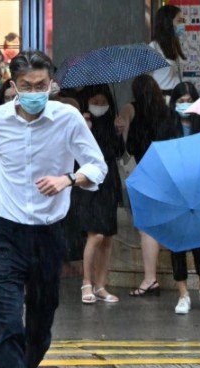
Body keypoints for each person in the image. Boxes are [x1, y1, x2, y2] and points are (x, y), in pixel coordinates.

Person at [0, 50, 106, 368]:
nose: (34, 93)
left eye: (41, 87)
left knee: (40, 329)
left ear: (52, 84)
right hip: (6, 235)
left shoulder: (67, 119)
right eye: (26, 87)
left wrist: (68, 179)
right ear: (13, 85)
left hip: (49, 235)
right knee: (9, 324)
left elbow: (97, 166)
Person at [116, 74, 180, 297]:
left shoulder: (133, 109)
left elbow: (129, 143)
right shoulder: (169, 113)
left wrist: (121, 124)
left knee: (147, 228)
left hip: (144, 174)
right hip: (167, 174)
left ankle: (150, 279)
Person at [168, 82, 200, 314]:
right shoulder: (167, 128)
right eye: (180, 101)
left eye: (189, 100)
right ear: (174, 103)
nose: (185, 105)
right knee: (177, 245)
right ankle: (182, 294)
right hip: (175, 193)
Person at [74, 85, 123, 304]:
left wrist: (120, 131)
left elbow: (119, 152)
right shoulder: (80, 122)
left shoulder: (113, 123)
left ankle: (101, 285)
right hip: (89, 181)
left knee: (108, 237)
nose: (99, 106)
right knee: (96, 235)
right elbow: (75, 153)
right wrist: (84, 127)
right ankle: (87, 282)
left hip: (109, 181)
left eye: (104, 103)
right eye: (96, 101)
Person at [149, 5, 187, 97]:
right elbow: (148, 79)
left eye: (183, 20)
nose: (183, 24)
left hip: (178, 94)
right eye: (179, 21)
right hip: (162, 96)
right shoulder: (153, 47)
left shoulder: (175, 45)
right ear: (168, 23)